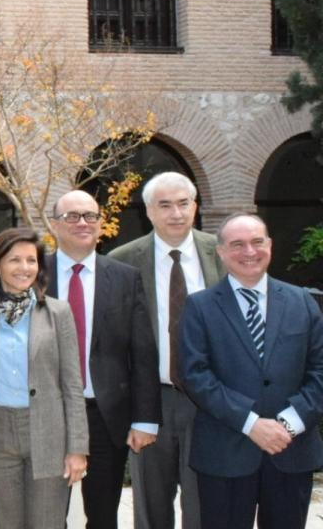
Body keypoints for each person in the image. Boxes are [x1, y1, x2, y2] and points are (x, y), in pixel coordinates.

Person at [182, 213, 323, 529]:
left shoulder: (303, 302)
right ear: (221, 252)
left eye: (257, 242)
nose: (250, 252)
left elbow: (320, 371)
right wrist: (251, 423)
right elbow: (195, 375)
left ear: (270, 245)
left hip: (291, 451)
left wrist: (288, 423)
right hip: (225, 451)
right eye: (238, 244)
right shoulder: (199, 306)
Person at [108, 172, 225, 529]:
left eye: (183, 203)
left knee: (206, 503)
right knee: (151, 507)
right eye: (165, 205)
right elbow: (112, 341)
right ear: (148, 212)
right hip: (149, 402)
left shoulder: (222, 252)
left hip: (209, 401)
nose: (176, 213)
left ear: (195, 206)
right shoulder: (122, 260)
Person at [45, 190, 160, 529]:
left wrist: (146, 419)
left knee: (103, 514)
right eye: (72, 216)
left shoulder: (125, 277)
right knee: (48, 515)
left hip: (105, 416)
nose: (82, 223)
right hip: (48, 415)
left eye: (90, 216)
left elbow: (142, 351)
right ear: (54, 225)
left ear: (100, 224)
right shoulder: (33, 274)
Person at [0, 227, 89, 529]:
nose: (24, 268)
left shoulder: (57, 312)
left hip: (48, 432)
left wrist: (77, 447)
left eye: (31, 260)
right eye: (15, 260)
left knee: (47, 523)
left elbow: (72, 384)